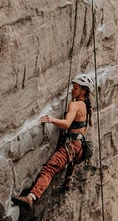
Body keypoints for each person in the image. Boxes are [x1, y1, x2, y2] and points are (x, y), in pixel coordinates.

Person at [12, 74, 94, 210]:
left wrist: (51, 119)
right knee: (69, 162)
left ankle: (30, 198)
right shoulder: (86, 105)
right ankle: (68, 181)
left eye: (75, 88)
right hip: (79, 149)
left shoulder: (75, 105)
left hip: (72, 146)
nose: (72, 90)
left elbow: (67, 124)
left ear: (83, 90)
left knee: (49, 170)